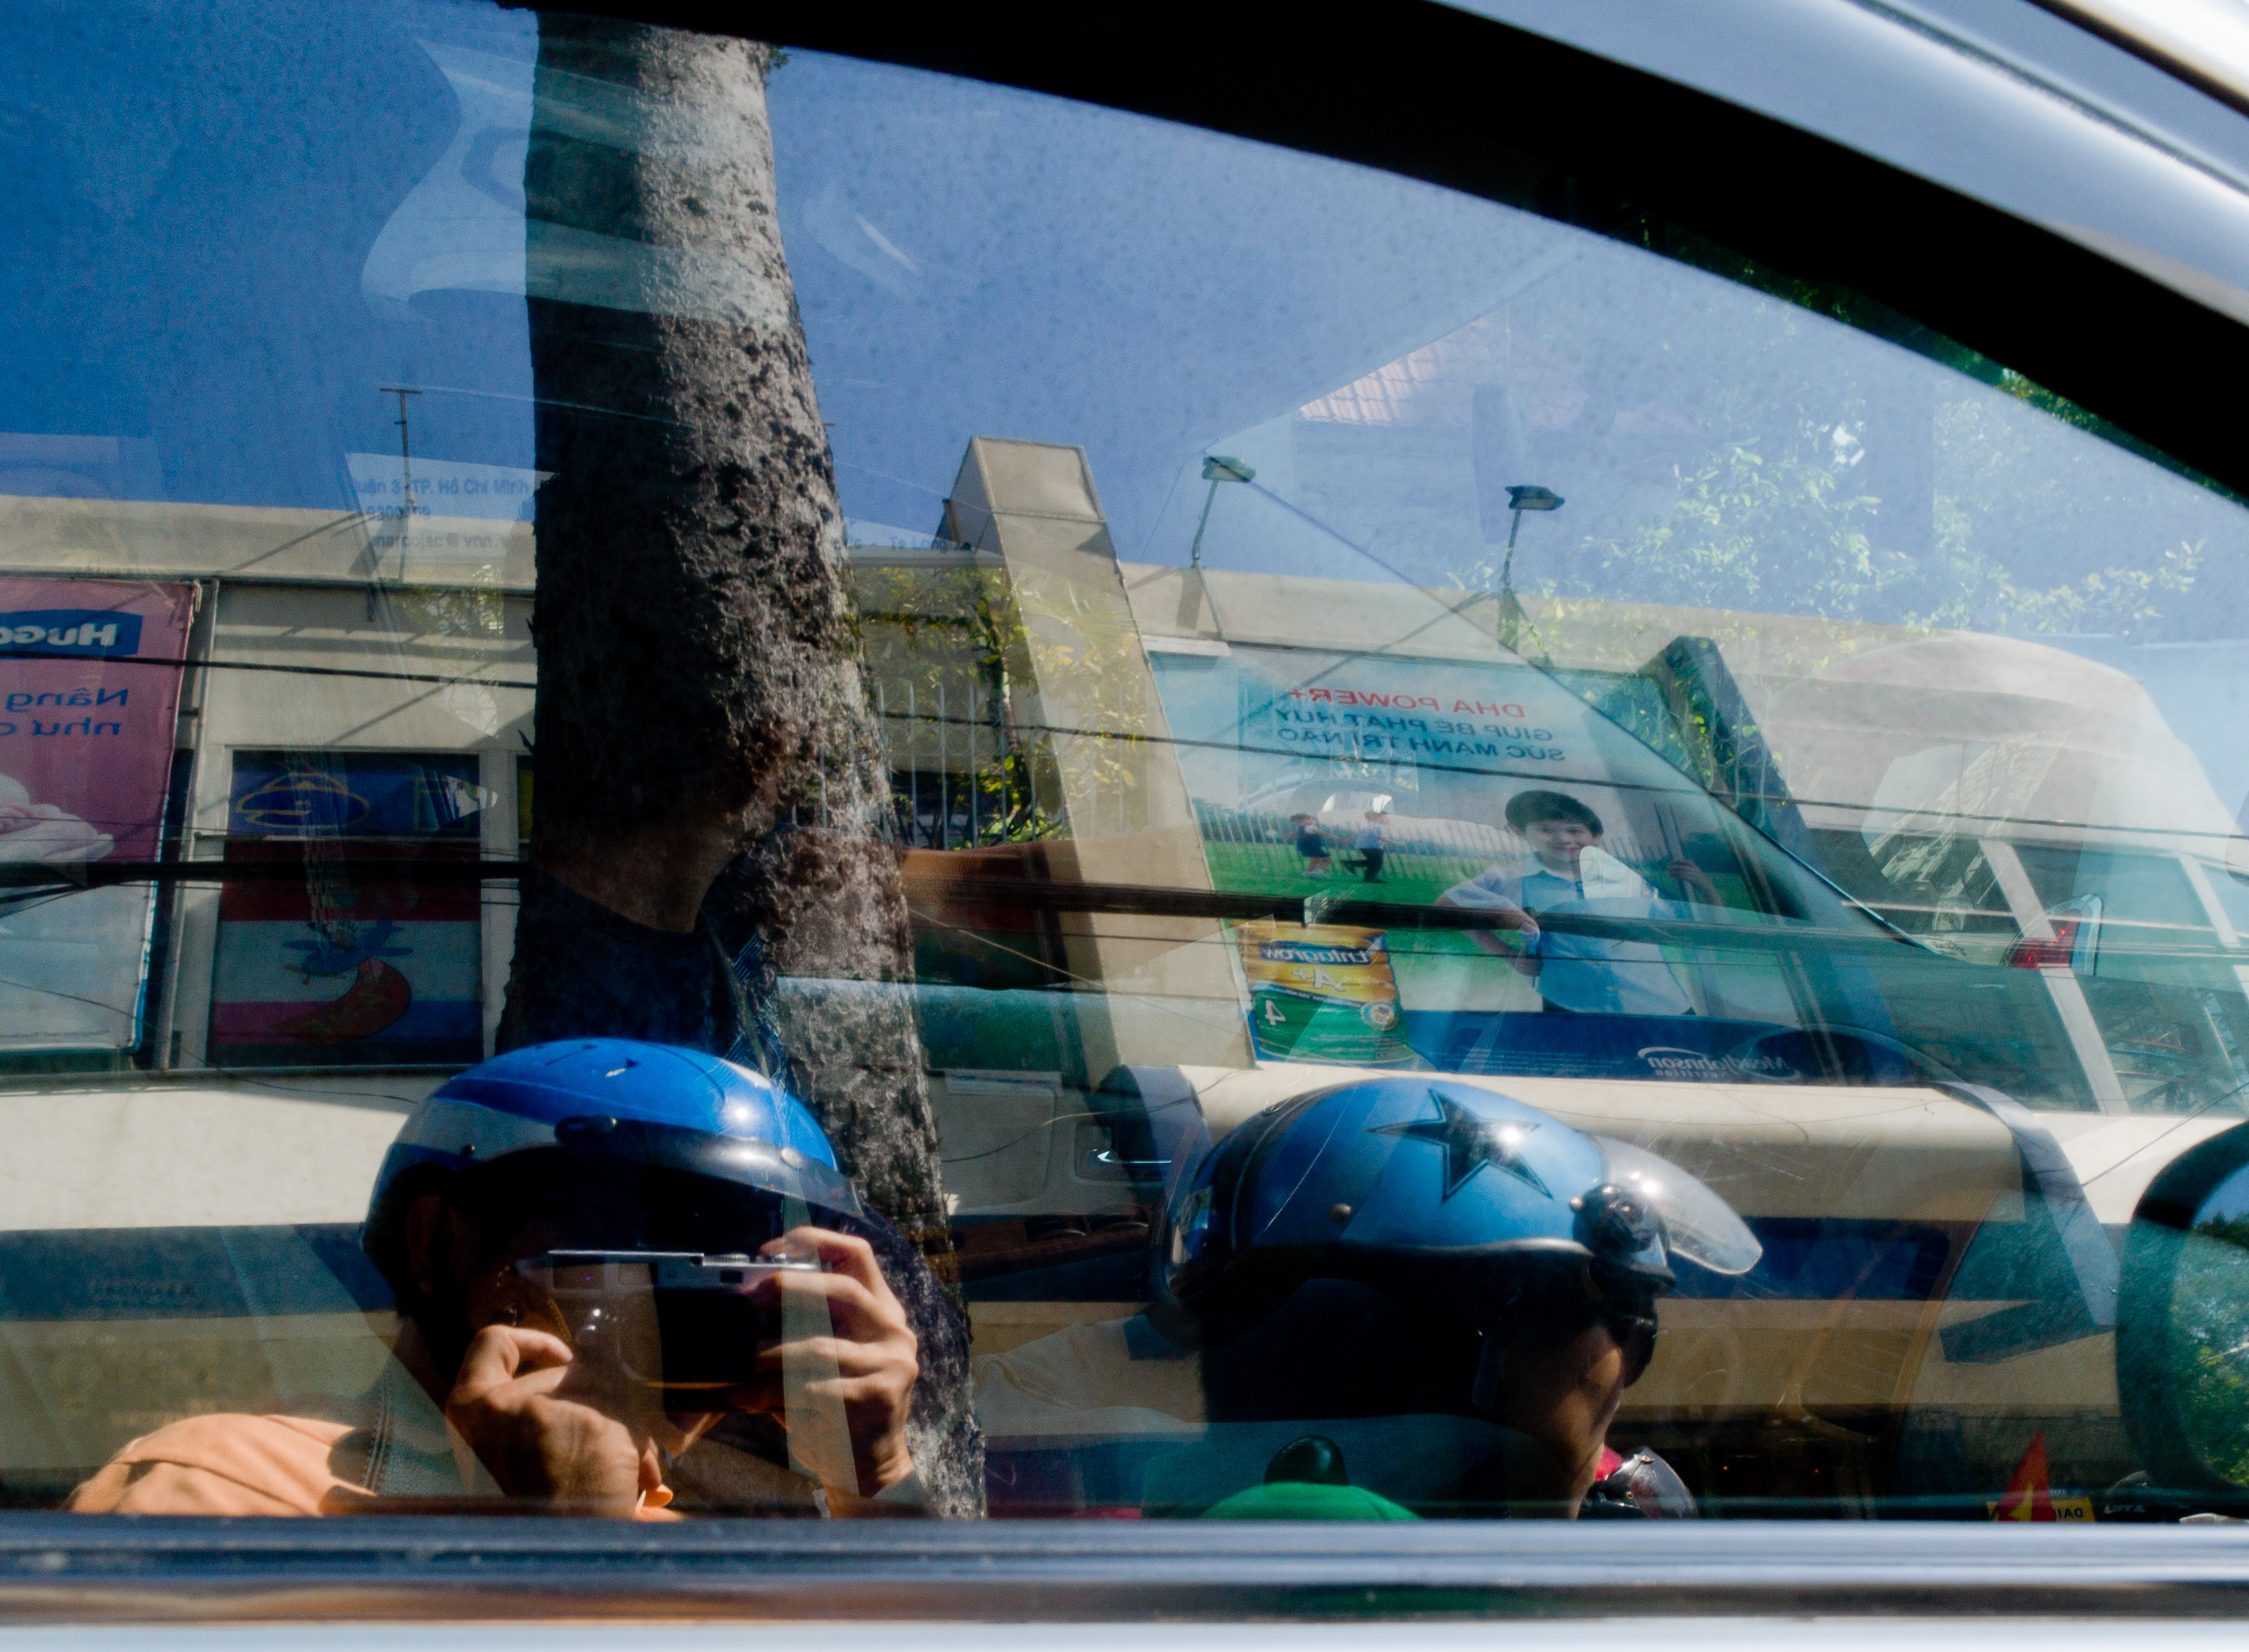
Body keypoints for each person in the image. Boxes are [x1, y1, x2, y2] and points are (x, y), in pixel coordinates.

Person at [68, 1039, 965, 1518]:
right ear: (437, 1245)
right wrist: (565, 1551)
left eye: (752, 1260)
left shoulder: (691, 1547)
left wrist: (878, 1483)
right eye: (654, 1240)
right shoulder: (217, 1489)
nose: (717, 1294)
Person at [1147, 1076, 1760, 1517]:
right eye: (1631, 1334)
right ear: (1491, 1355)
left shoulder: (1149, 1529)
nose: (1622, 1381)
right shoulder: (1477, 1611)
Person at [1437, 789, 1714, 1016]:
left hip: (1658, 1006)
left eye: (1574, 830)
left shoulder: (1629, 878)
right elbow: (1446, 907)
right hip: (1571, 1006)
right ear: (1521, 832)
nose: (1563, 839)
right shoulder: (1512, 878)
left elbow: (1693, 927)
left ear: (1596, 837)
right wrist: (1508, 955)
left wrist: (1706, 888)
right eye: (1546, 830)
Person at [1290, 813, 1333, 878]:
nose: (1311, 821)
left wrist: (1287, 836)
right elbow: (1323, 834)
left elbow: (1296, 834)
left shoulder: (1302, 827)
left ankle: (1309, 873)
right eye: (1309, 819)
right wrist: (1341, 839)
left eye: (1312, 820)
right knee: (1327, 859)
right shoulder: (1309, 827)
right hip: (1312, 846)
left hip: (1310, 846)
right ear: (1302, 821)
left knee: (1316, 859)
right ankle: (1317, 873)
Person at [1352, 811, 1389, 884]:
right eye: (1384, 818)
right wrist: (1397, 843)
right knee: (1377, 864)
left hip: (1366, 846)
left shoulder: (1371, 825)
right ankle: (1370, 878)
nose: (1386, 819)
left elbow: (1359, 834)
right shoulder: (1378, 826)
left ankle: (1368, 877)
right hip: (1372, 847)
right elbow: (1382, 839)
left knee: (1372, 862)